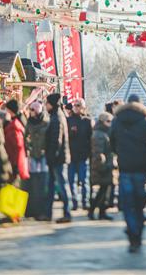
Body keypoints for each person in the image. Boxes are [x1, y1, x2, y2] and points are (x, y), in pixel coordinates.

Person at [110, 94, 146, 253]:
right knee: (139, 204)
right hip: (141, 168)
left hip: (125, 167)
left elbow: (111, 141)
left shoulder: (117, 120)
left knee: (127, 204)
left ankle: (132, 232)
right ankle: (138, 233)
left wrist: (119, 153)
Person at [45, 93, 72, 223]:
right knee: (51, 186)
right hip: (56, 158)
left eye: (47, 103)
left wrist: (51, 156)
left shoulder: (56, 118)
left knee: (62, 185)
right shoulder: (56, 116)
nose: (45, 106)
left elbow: (56, 140)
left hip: (57, 158)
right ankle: (48, 212)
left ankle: (67, 213)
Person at [24, 100, 50, 220]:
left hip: (44, 154)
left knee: (43, 182)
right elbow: (25, 137)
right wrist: (28, 147)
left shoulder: (46, 122)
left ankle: (42, 209)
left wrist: (46, 148)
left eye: (33, 110)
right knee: (34, 183)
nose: (31, 112)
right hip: (33, 155)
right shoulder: (29, 122)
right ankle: (35, 209)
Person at [67, 98, 93, 211]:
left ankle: (85, 201)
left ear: (83, 107)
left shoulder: (87, 121)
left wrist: (90, 153)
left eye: (79, 105)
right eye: (75, 105)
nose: (76, 107)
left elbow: (91, 139)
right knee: (71, 181)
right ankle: (74, 202)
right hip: (71, 155)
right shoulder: (69, 120)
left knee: (84, 181)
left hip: (83, 155)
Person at [89, 112, 114, 220]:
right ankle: (93, 211)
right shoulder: (99, 134)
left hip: (107, 165)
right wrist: (103, 165)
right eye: (108, 121)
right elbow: (98, 153)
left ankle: (101, 212)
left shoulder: (105, 133)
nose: (110, 123)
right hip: (102, 166)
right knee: (102, 190)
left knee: (105, 190)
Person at [4, 99, 29, 186]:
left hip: (16, 160)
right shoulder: (21, 119)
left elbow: (17, 145)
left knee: (16, 185)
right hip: (20, 158)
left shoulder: (15, 124)